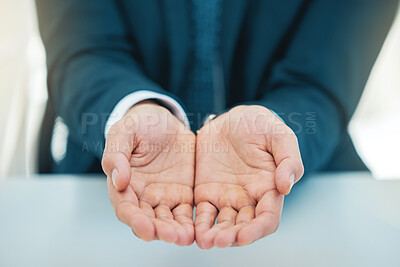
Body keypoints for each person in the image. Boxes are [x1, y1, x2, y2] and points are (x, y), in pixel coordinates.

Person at [36, 0, 398, 248]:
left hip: (304, 181)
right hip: (106, 179)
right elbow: (81, 48)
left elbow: (323, 74)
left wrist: (275, 133)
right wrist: (135, 110)